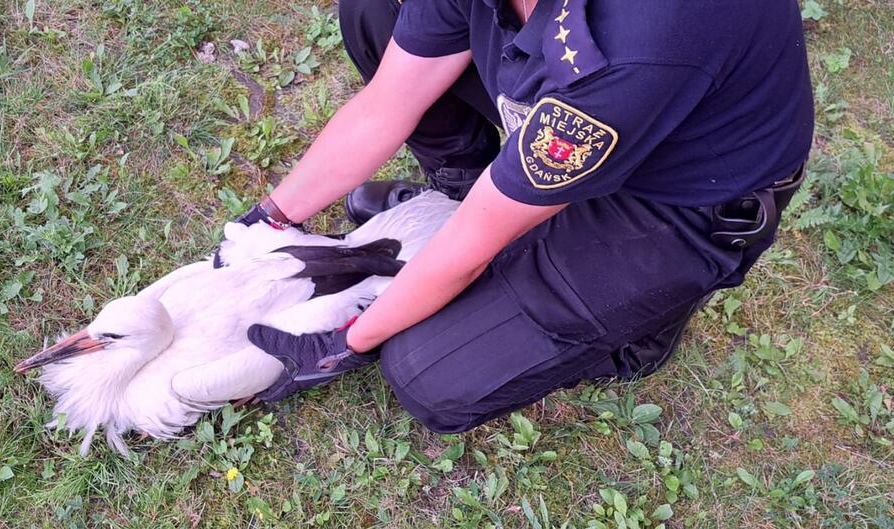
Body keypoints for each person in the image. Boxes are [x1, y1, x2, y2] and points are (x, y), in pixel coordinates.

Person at [221, 0, 814, 433]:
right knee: (376, 13)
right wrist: (268, 218)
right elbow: (387, 102)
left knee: (427, 373)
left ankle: (642, 328)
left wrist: (345, 342)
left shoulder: (633, 42)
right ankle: (472, 186)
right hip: (590, 108)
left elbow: (472, 245)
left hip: (673, 202)